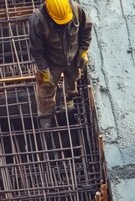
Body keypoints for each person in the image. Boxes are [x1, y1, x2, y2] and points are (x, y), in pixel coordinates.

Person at [29, 0, 92, 128]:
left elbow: (86, 30)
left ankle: (67, 103)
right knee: (45, 88)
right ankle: (45, 117)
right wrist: (44, 70)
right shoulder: (38, 20)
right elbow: (36, 50)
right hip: (50, 62)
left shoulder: (75, 9)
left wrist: (83, 51)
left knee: (72, 80)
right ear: (51, 15)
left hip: (72, 57)